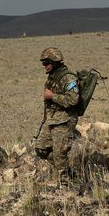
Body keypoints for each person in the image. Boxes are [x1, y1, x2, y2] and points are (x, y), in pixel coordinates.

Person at [34, 47, 79, 180]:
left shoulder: (68, 78)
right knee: (41, 148)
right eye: (43, 63)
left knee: (60, 154)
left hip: (65, 120)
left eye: (46, 63)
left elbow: (73, 100)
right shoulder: (52, 77)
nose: (45, 66)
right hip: (53, 119)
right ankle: (67, 172)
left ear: (55, 62)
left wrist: (52, 96)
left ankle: (67, 184)